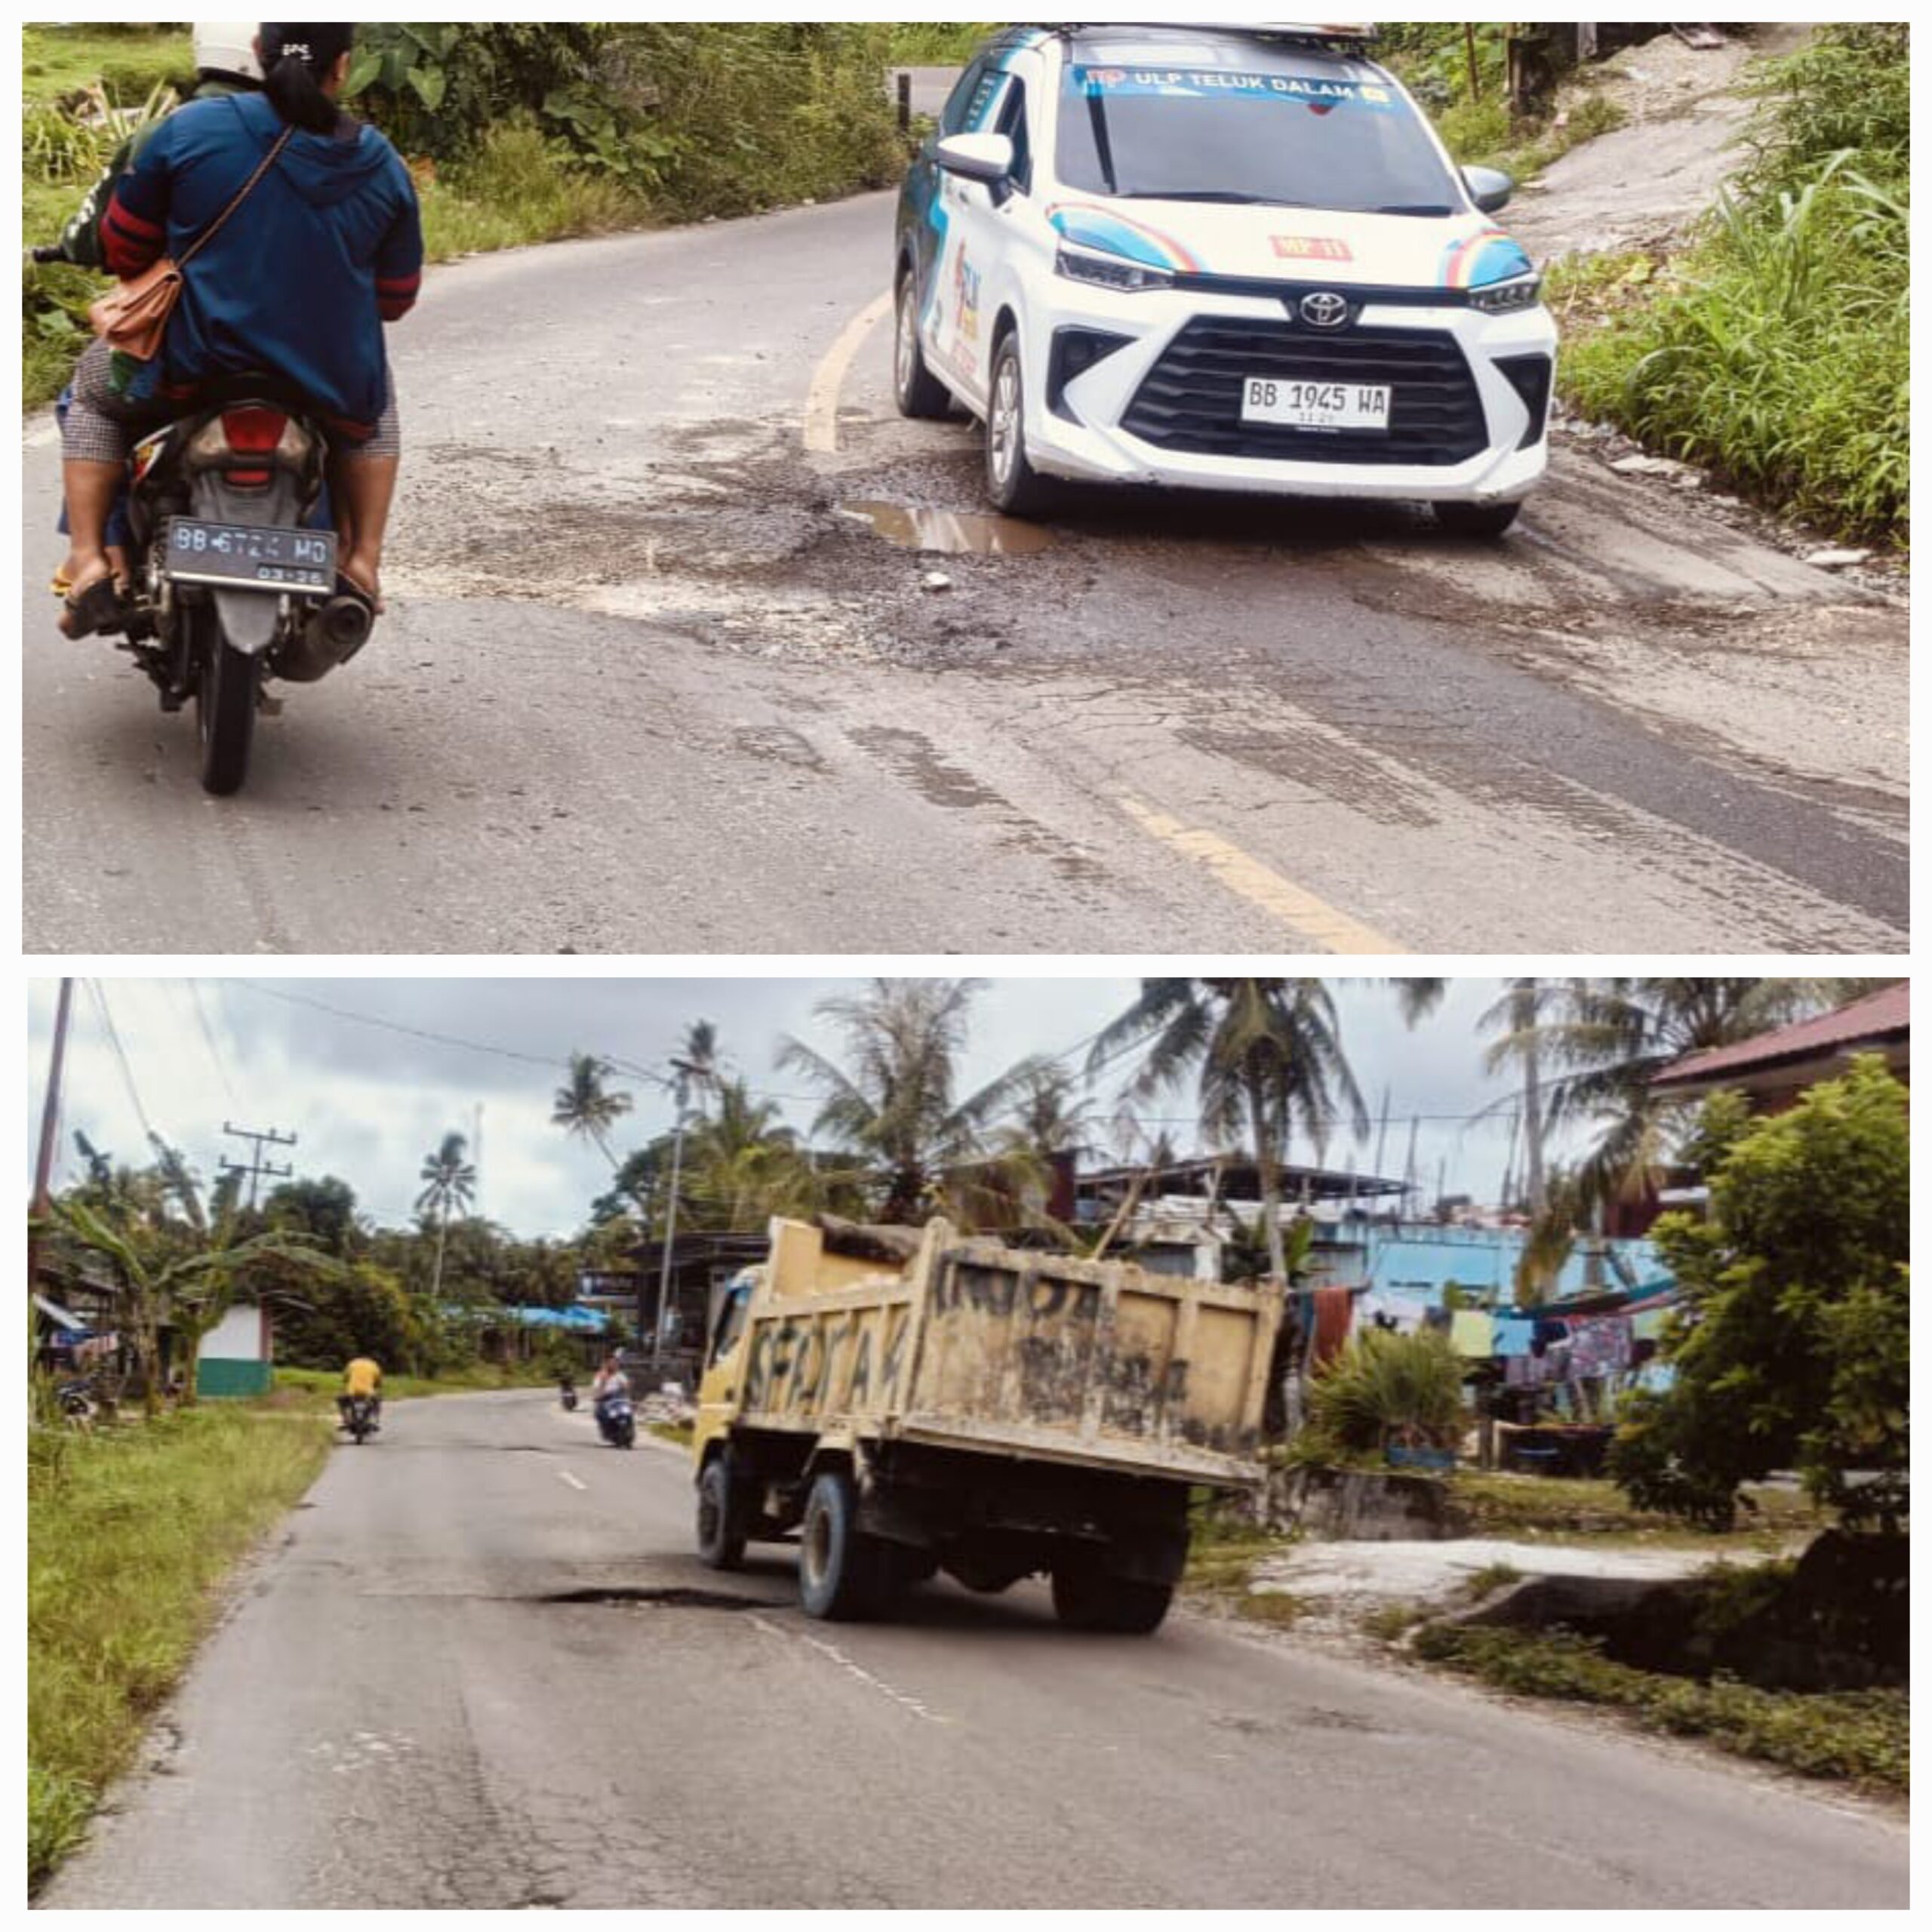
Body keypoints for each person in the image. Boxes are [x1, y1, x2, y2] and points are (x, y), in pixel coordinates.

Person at [58, 22, 423, 639]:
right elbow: (395, 298)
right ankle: (362, 565)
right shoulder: (380, 161)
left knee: (94, 397)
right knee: (376, 410)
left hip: (187, 370)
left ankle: (91, 558)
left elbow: (123, 249)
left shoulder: (190, 130)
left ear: (260, 55)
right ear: (343, 69)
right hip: (325, 381)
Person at [49, 24, 266, 606]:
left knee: (89, 399)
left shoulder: (169, 131)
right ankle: (351, 559)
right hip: (300, 352)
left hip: (182, 351)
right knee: (357, 421)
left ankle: (100, 560)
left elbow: (102, 236)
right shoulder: (321, 136)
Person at [339, 1352, 383, 1429]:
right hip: (368, 1393)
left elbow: (345, 1378)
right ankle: (376, 1421)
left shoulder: (352, 1364)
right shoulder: (374, 1365)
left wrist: (347, 1382)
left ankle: (345, 1420)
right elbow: (379, 1381)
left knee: (341, 1401)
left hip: (352, 1392)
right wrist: (377, 1386)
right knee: (377, 1401)